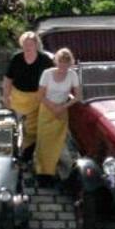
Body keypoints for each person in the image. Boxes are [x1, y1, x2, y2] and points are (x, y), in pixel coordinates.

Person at [34, 48, 81, 182]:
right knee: (44, 142)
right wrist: (53, 107)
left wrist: (63, 107)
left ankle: (57, 171)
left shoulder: (72, 75)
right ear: (56, 61)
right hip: (47, 109)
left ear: (70, 63)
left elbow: (77, 96)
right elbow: (40, 95)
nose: (63, 65)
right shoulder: (47, 73)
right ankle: (42, 173)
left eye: (66, 62)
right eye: (61, 61)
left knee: (58, 143)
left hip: (61, 111)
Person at [1, 31, 48, 158]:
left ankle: (28, 156)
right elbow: (8, 79)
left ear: (36, 44)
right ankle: (13, 153)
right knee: (15, 127)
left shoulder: (45, 60)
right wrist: (5, 96)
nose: (28, 47)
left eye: (30, 44)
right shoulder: (16, 58)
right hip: (18, 98)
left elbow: (52, 79)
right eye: (25, 44)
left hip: (37, 99)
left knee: (33, 131)